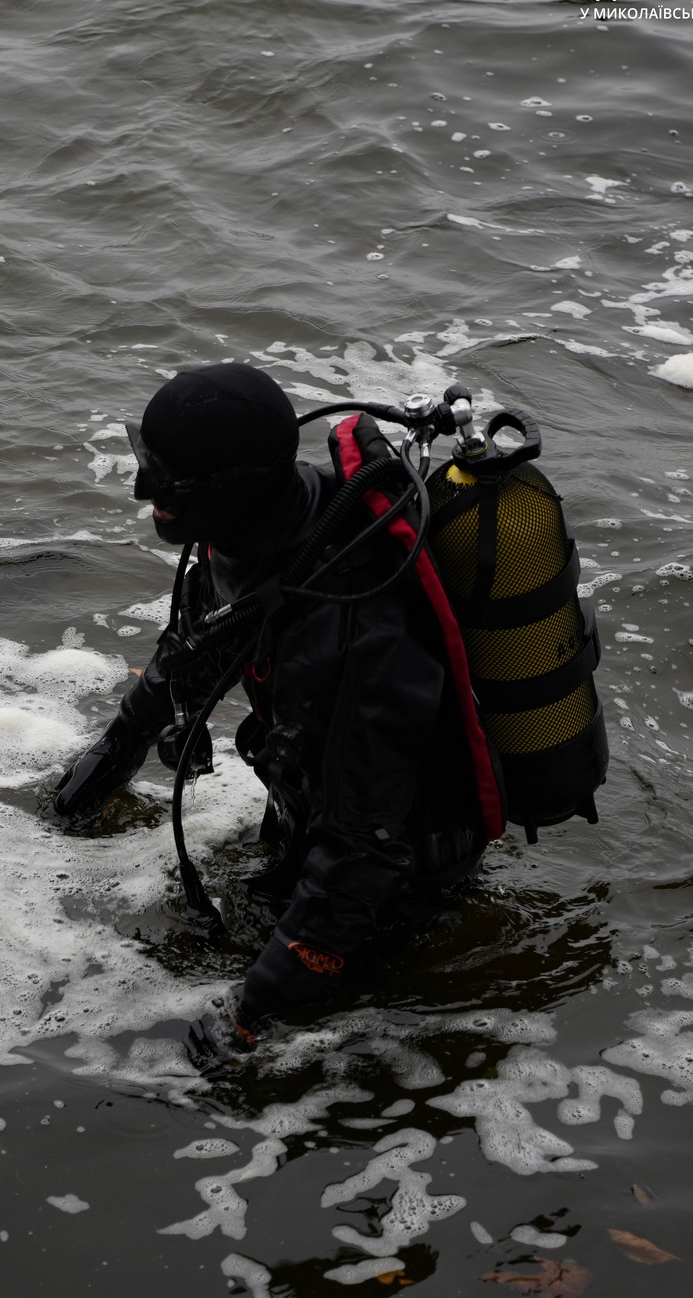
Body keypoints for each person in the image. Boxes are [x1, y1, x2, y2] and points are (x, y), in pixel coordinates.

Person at [52, 363, 490, 1056]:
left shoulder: (358, 631)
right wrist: (79, 794)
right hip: (311, 826)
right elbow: (180, 664)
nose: (142, 492)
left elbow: (361, 858)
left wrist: (247, 1012)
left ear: (234, 491)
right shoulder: (253, 540)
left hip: (399, 887)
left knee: (242, 1071)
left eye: (166, 484)